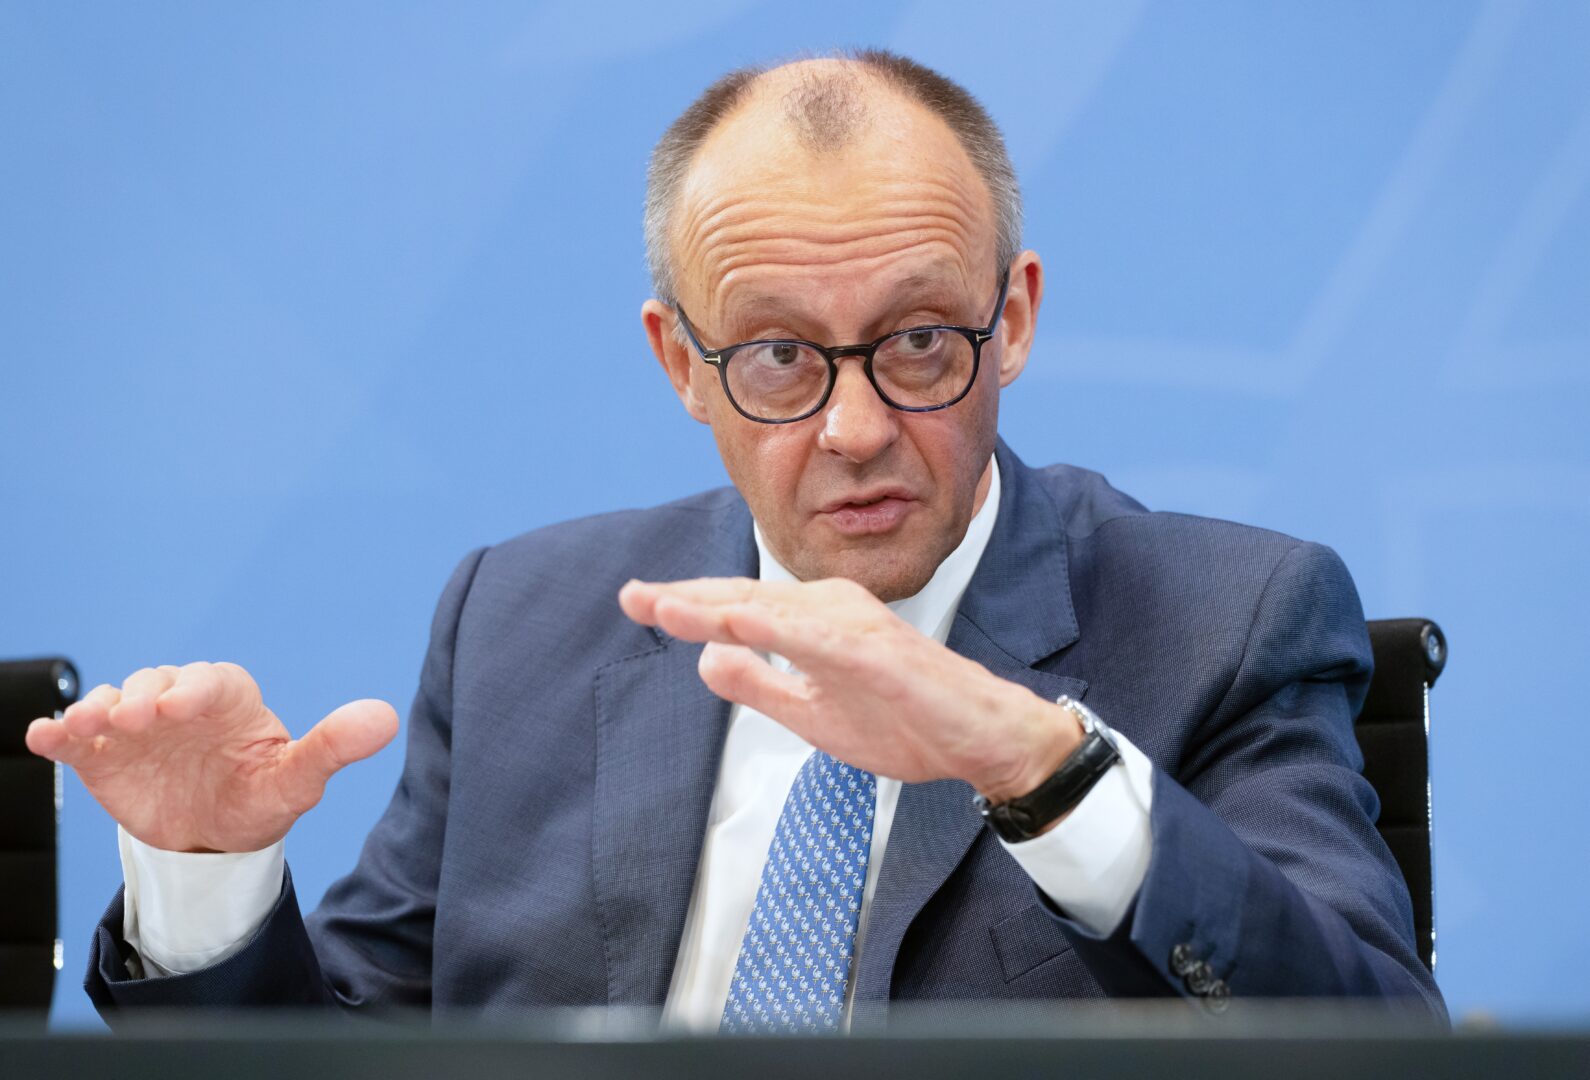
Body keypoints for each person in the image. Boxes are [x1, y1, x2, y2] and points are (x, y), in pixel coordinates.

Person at [27, 50, 1443, 1030]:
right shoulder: (522, 621)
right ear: (679, 362)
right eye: (776, 357)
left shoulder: (1225, 619)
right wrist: (206, 881)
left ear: (1011, 318)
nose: (854, 429)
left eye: (920, 341)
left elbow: (1373, 1045)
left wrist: (1037, 766)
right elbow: (352, 1055)